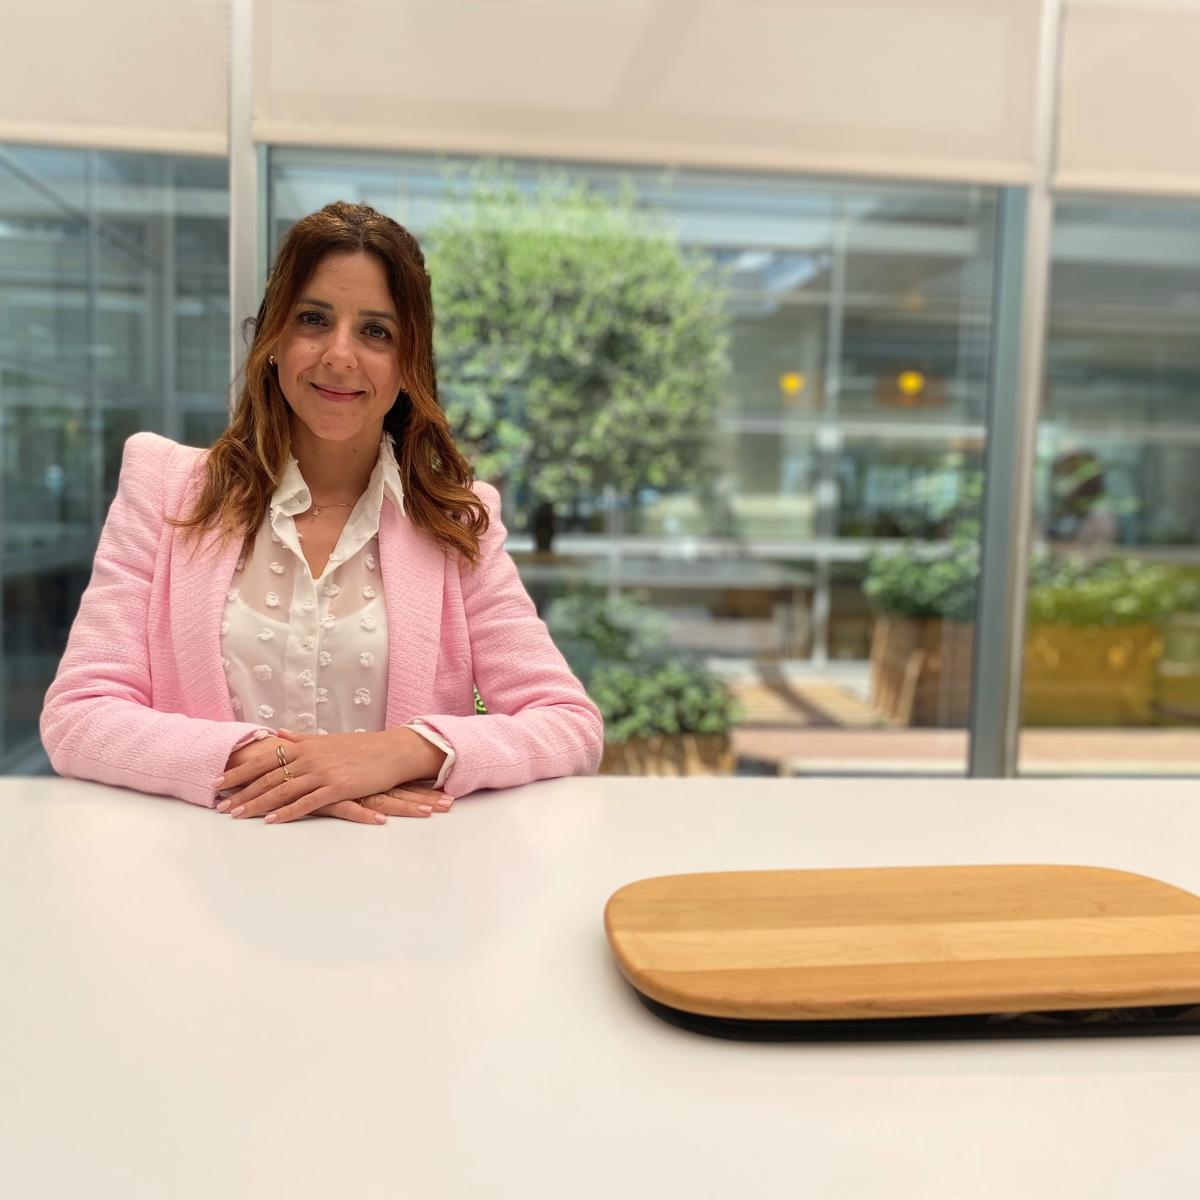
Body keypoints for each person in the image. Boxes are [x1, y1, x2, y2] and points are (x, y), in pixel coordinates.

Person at [40, 201, 603, 825]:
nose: (339, 354)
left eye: (376, 331)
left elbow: (567, 723)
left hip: (402, 870)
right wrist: (284, 766)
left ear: (409, 364)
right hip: (201, 865)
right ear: (273, 340)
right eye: (313, 319)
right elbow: (79, 714)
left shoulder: (458, 521)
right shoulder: (164, 488)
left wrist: (399, 752)